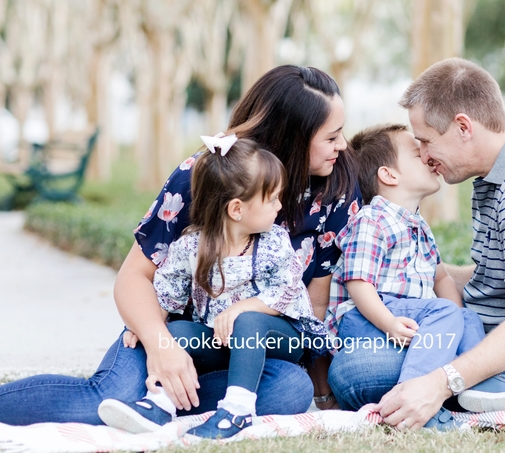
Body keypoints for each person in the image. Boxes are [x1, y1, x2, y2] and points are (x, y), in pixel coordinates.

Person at [0, 65, 360, 425]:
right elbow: (135, 277)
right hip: (182, 335)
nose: (342, 145)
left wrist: (324, 393)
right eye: (332, 137)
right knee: (109, 398)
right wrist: (162, 348)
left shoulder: (335, 189)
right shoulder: (207, 175)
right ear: (292, 137)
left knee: (288, 389)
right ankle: (153, 397)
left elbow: (313, 302)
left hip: (253, 354)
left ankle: (166, 404)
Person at [329, 58, 505, 430]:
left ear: (463, 127)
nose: (425, 155)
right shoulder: (496, 171)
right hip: (494, 346)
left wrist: (440, 383)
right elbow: (500, 276)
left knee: (353, 371)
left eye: (426, 141)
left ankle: (457, 405)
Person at [97, 136, 327, 439]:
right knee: (176, 334)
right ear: (236, 209)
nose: (279, 206)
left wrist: (242, 307)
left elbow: (287, 290)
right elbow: (168, 290)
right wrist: (146, 326)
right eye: (272, 199)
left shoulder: (274, 242)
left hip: (277, 337)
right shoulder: (192, 247)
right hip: (223, 342)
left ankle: (238, 410)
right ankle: (161, 404)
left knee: (247, 322)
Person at [326, 124, 505, 429]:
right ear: (389, 175)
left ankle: (484, 385)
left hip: (409, 315)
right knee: (445, 313)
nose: (429, 158)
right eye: (418, 153)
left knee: (468, 318)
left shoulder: (418, 226)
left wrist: (457, 317)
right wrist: (388, 322)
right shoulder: (372, 219)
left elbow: (441, 278)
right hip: (366, 319)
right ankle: (414, 396)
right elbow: (358, 283)